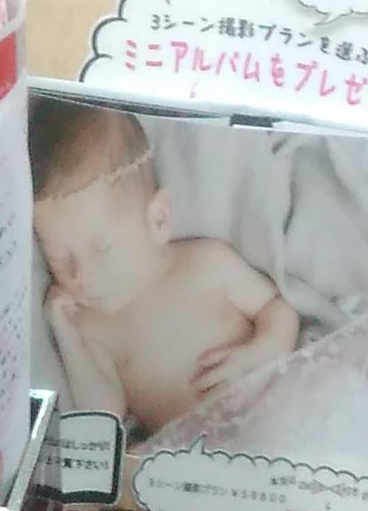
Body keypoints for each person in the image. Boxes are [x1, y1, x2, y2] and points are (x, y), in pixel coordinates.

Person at [30, 99, 301, 437]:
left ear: (158, 219)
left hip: (276, 411)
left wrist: (268, 348)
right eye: (59, 257)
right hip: (194, 454)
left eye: (102, 249)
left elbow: (275, 307)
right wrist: (67, 335)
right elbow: (106, 413)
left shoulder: (204, 264)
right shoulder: (93, 326)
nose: (82, 276)